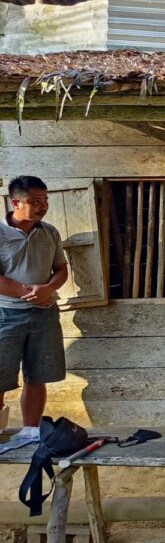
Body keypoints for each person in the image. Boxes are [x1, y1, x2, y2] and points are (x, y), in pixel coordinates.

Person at [0, 176, 68, 446]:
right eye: (36, 202)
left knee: (38, 374)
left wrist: (48, 289)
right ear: (15, 202)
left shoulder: (49, 231)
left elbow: (61, 269)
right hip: (5, 314)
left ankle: (30, 430)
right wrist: (31, 293)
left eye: (46, 201)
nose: (43, 207)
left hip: (44, 314)